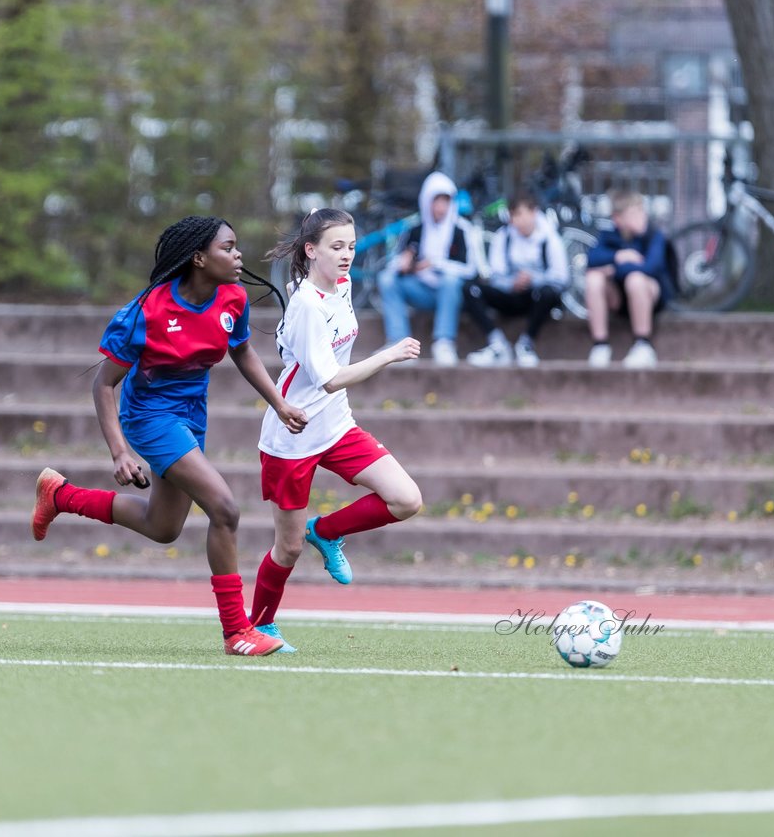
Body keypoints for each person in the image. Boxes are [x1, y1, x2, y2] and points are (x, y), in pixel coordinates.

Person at [30, 216, 308, 657]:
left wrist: (279, 402)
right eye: (228, 247)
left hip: (191, 418)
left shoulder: (233, 299)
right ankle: (237, 631)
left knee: (162, 527)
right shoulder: (146, 312)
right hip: (149, 419)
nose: (239, 256)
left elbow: (242, 352)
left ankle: (60, 496)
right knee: (225, 508)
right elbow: (104, 385)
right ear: (199, 257)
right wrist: (120, 452)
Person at [248, 209, 424, 652]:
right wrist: (388, 354)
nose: (347, 255)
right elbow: (328, 378)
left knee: (406, 499)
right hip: (293, 435)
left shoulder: (340, 286)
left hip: (336, 424)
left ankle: (324, 531)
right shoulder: (307, 304)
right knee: (285, 549)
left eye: (351, 246)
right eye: (336, 247)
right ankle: (259, 627)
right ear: (312, 251)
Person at [376, 171, 485, 367]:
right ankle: (399, 345)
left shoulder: (463, 230)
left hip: (451, 294)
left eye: (445, 201)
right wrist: (404, 263)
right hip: (421, 290)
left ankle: (444, 342)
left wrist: (436, 264)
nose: (441, 207)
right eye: (436, 201)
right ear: (427, 201)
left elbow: (472, 269)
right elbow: (395, 263)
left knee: (451, 280)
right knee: (387, 279)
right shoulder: (415, 229)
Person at [464, 195, 568, 367]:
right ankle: (497, 345)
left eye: (521, 214)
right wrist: (512, 283)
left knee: (548, 293)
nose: (518, 221)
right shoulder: (503, 237)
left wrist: (533, 279)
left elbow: (561, 278)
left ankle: (526, 344)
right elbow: (495, 275)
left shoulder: (549, 238)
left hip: (536, 297)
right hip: (510, 294)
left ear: (534, 212)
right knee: (470, 289)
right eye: (514, 215)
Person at [584, 190, 673, 368]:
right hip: (618, 299)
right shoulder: (609, 236)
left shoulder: (654, 236)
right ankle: (600, 345)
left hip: (650, 296)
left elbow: (650, 267)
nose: (641, 217)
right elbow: (590, 260)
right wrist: (619, 256)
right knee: (593, 278)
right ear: (618, 219)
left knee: (635, 279)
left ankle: (643, 344)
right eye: (634, 213)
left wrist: (615, 267)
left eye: (642, 211)